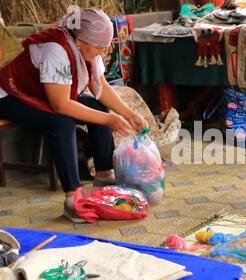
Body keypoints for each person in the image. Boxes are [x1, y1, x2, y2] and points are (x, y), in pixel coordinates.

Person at [0, 8, 147, 223]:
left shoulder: (86, 45)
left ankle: (104, 177)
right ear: (81, 42)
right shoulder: (56, 49)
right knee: (60, 123)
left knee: (97, 107)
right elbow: (60, 105)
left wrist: (128, 113)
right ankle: (72, 200)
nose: (101, 53)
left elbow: (102, 88)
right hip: (8, 94)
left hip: (41, 91)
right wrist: (109, 120)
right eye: (98, 48)